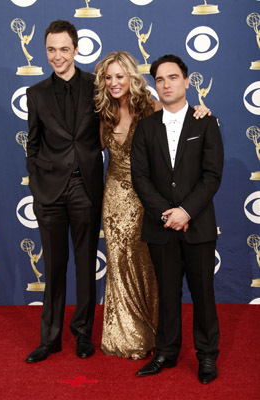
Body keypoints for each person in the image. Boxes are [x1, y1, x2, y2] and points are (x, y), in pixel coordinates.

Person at [94, 51, 211, 360]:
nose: (114, 82)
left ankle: (153, 333)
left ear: (132, 77)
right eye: (108, 77)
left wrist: (201, 111)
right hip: (115, 199)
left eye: (120, 76)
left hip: (150, 199)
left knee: (152, 268)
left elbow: (180, 123)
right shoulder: (102, 114)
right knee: (119, 267)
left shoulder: (153, 108)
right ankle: (124, 335)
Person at [131, 54, 223, 383]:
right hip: (160, 226)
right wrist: (165, 213)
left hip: (197, 225)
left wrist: (186, 211)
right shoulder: (145, 127)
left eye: (172, 77)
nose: (166, 84)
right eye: (159, 79)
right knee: (167, 294)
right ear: (154, 85)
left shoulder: (206, 122)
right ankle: (166, 352)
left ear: (187, 81)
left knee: (203, 293)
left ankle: (207, 356)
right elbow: (139, 177)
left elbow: (212, 176)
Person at [25, 20, 103, 363]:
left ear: (76, 49)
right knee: (54, 266)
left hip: (85, 187)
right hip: (49, 192)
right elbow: (33, 143)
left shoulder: (96, 86)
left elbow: (134, 112)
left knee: (86, 264)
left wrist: (192, 109)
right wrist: (36, 181)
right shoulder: (36, 93)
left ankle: (82, 334)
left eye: (64, 49)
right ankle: (51, 338)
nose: (57, 56)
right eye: (51, 50)